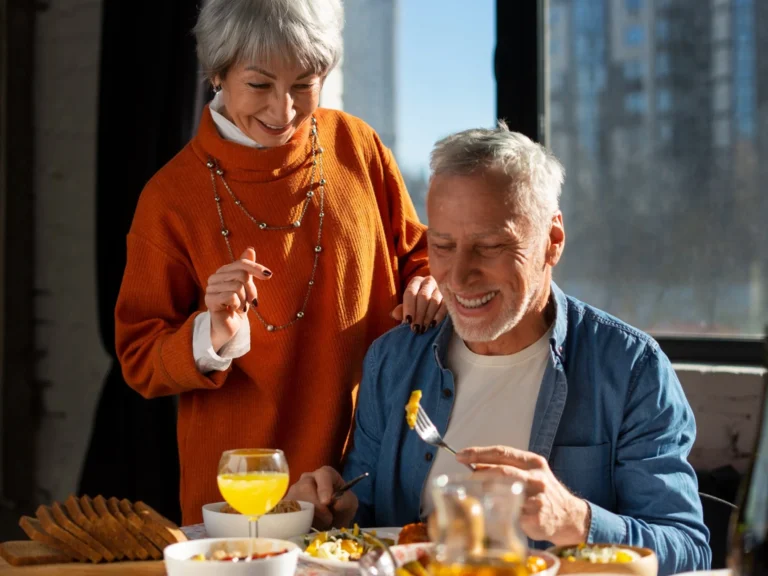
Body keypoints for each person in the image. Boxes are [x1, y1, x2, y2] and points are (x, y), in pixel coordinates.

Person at [286, 124, 711, 576]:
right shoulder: (392, 361)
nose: (459, 275)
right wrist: (337, 507)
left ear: (552, 240)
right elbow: (366, 511)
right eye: (443, 246)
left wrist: (575, 520)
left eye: (490, 246)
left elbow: (687, 548)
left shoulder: (631, 369)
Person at [115, 0, 445, 526]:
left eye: (304, 84)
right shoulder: (170, 198)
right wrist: (212, 334)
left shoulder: (357, 147)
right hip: (242, 498)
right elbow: (139, 357)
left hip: (372, 479)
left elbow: (417, 252)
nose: (284, 110)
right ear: (217, 73)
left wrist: (428, 283)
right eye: (261, 85)